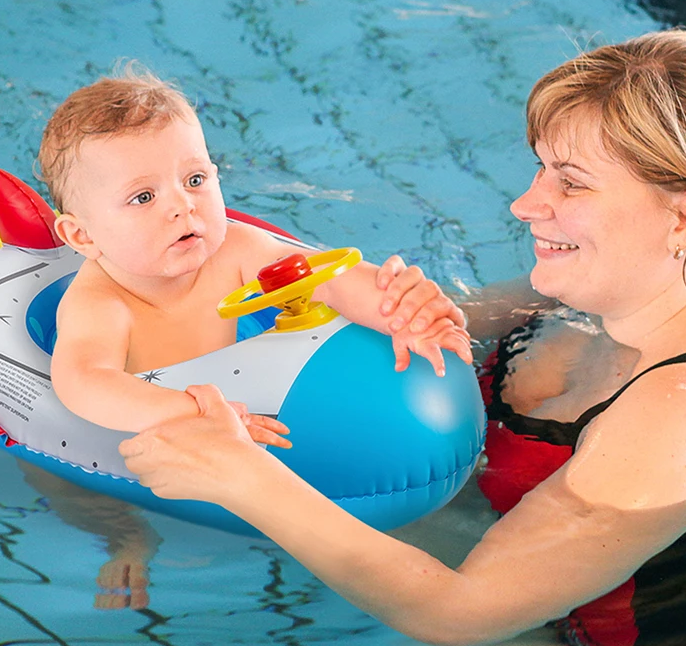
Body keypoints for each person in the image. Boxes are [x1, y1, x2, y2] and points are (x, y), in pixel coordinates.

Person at [118, 29, 686, 646]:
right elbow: (416, 329)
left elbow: (458, 612)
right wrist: (394, 308)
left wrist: (242, 477)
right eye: (541, 168)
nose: (526, 204)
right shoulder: (602, 285)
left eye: (570, 182)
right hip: (548, 603)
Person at [37, 66, 472, 441]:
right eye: (144, 197)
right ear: (81, 236)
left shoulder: (234, 250)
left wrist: (406, 316)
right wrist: (197, 414)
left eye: (194, 180)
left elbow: (326, 279)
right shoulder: (102, 304)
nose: (182, 206)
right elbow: (85, 383)